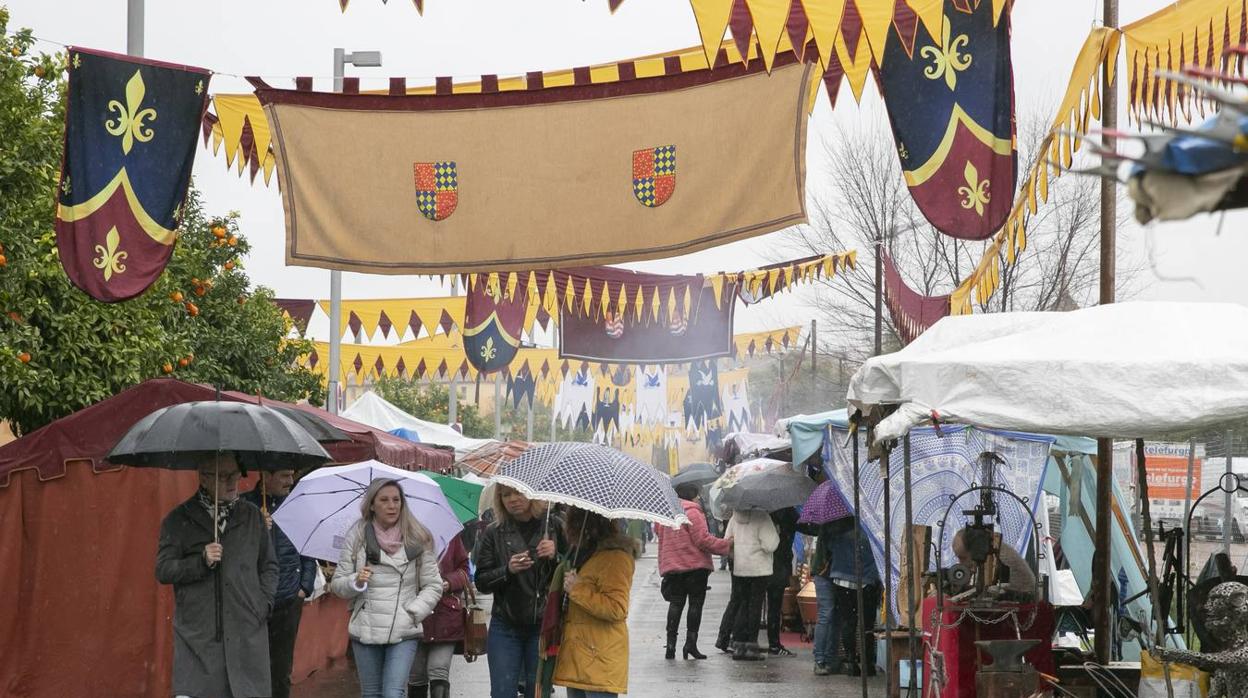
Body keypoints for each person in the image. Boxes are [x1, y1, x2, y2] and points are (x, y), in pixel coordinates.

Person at [156, 454, 277, 698]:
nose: (233, 482)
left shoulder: (253, 516)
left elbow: (269, 566)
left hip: (246, 634)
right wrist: (200, 561)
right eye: (223, 476)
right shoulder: (178, 519)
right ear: (204, 477)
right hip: (199, 639)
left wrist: (263, 604)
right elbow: (164, 570)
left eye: (235, 474)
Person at [329, 479, 443, 698]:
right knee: (371, 694)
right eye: (384, 500)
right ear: (371, 505)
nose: (392, 505)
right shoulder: (358, 535)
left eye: (396, 500)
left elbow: (433, 584)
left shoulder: (418, 536)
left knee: (393, 693)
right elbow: (338, 584)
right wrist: (356, 580)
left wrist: (413, 612)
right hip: (366, 627)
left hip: (403, 629)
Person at [472, 485, 561, 698]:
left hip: (542, 624)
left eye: (518, 493)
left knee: (538, 692)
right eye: (505, 495)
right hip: (505, 624)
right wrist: (507, 570)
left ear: (531, 494)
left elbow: (573, 570)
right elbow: (481, 581)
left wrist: (556, 555)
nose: (512, 499)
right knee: (502, 691)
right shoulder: (494, 532)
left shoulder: (554, 526)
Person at [241, 469, 318, 698]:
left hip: (288, 599)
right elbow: (233, 552)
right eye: (284, 475)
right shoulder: (243, 506)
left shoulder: (296, 507)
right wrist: (256, 528)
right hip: (251, 602)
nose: (290, 481)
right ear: (267, 476)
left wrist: (304, 587)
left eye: (291, 475)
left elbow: (307, 550)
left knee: (281, 671)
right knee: (251, 669)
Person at [553, 508, 638, 698]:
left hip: (599, 658)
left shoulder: (615, 558)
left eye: (572, 523)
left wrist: (577, 589)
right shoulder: (585, 554)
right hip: (580, 656)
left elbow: (616, 608)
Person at [656, 483, 732, 660]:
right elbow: (702, 540)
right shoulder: (693, 512)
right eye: (697, 495)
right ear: (690, 495)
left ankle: (671, 645)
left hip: (673, 568)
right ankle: (690, 644)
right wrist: (726, 544)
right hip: (694, 568)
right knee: (695, 606)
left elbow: (659, 533)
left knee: (675, 605)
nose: (699, 498)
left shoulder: (666, 513)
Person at [408, 534, 471, 698]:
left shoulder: (450, 535)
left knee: (439, 670)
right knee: (416, 675)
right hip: (413, 614)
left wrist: (449, 582)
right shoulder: (402, 534)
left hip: (445, 615)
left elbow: (464, 569)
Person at [820, 517, 880, 677]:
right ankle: (868, 664)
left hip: (842, 578)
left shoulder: (837, 524)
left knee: (849, 622)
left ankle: (851, 661)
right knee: (867, 623)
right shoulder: (871, 524)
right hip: (867, 579)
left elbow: (829, 547)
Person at [724, 509, 779, 661]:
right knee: (755, 606)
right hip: (759, 569)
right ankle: (751, 646)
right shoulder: (762, 516)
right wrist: (777, 532)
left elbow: (728, 539)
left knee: (743, 604)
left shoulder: (735, 517)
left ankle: (739, 645)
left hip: (740, 568)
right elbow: (770, 545)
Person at [952, 527, 1037, 600]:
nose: (960, 563)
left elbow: (989, 590)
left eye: (963, 558)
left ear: (975, 550)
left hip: (1021, 599)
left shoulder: (994, 555)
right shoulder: (988, 550)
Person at [765, 507, 799, 656]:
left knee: (755, 604)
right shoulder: (788, 512)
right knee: (774, 606)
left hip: (762, 565)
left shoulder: (763, 512)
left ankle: (747, 641)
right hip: (778, 565)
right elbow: (803, 525)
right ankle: (774, 644)